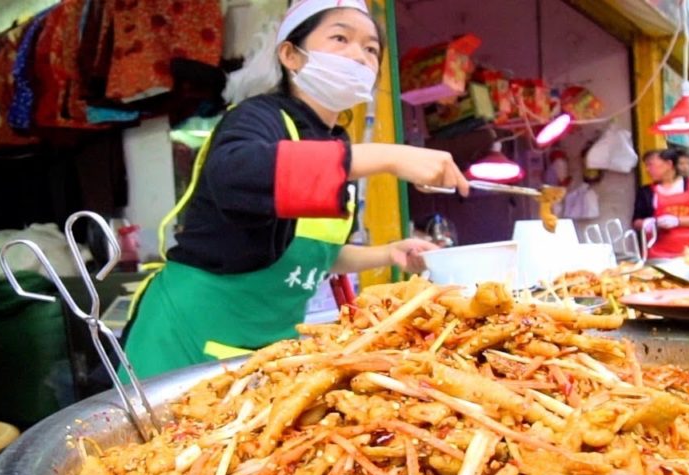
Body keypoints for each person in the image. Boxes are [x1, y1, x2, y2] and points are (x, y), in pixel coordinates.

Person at [122, 0, 470, 380]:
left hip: (269, 346)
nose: (357, 55)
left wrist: (389, 253)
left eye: (371, 49)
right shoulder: (258, 118)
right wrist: (384, 156)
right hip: (188, 336)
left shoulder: (334, 141)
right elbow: (235, 175)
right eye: (341, 38)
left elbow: (311, 254)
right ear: (291, 54)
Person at [632, 149, 689, 259]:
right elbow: (636, 221)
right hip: (660, 255)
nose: (647, 170)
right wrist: (648, 223)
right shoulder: (646, 192)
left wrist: (677, 221)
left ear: (668, 164)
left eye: (650, 165)